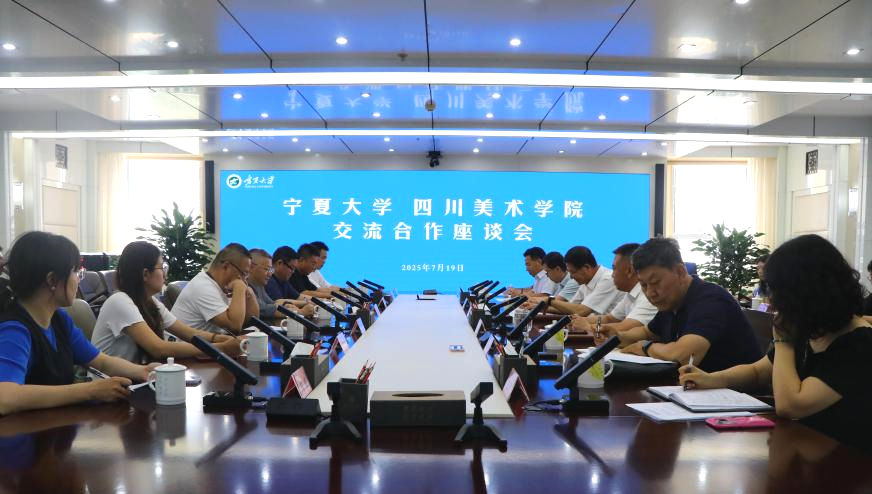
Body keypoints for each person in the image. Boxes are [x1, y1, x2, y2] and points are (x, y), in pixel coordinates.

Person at [680, 234, 872, 452]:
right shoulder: (813, 327)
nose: (772, 300)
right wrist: (710, 379)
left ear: (808, 290)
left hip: (847, 462)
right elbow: (757, 372)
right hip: (803, 448)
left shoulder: (859, 343)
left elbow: (791, 405)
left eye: (778, 290)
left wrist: (783, 341)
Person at [0, 231, 156, 415]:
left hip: (56, 424)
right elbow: (5, 397)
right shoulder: (15, 329)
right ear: (52, 280)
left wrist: (143, 371)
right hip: (28, 431)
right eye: (75, 272)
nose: (78, 279)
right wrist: (90, 390)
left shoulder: (59, 319)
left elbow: (101, 361)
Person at [606, 237, 761, 371]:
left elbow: (684, 356)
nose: (650, 293)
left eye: (655, 282)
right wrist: (615, 337)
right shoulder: (671, 301)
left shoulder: (711, 300)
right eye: (643, 285)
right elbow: (647, 332)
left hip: (736, 393)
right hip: (692, 389)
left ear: (680, 272)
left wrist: (646, 347)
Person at [91, 241, 243, 363]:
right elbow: (159, 348)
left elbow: (190, 333)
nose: (165, 274)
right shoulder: (119, 302)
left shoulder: (150, 302)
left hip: (136, 379)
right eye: (162, 267)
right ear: (145, 274)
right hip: (110, 384)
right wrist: (221, 348)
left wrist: (225, 339)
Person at [171, 243, 259, 335]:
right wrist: (239, 288)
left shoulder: (224, 286)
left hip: (207, 341)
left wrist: (250, 294)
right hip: (184, 343)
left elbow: (253, 322)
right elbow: (235, 326)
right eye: (243, 273)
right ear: (226, 266)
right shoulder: (203, 287)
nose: (244, 280)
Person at [575, 243, 657, 336]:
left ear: (629, 271)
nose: (612, 275)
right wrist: (579, 320)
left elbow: (625, 327)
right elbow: (609, 318)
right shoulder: (631, 293)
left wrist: (589, 327)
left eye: (614, 269)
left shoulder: (648, 296)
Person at [531, 246, 621, 317]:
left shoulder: (608, 279)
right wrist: (537, 308)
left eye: (573, 272)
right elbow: (569, 308)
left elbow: (582, 311)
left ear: (586, 267)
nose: (571, 277)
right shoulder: (585, 281)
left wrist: (550, 301)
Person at [248, 249, 315, 319]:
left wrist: (286, 305)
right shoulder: (247, 287)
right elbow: (267, 310)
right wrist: (301, 312)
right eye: (266, 269)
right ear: (251, 267)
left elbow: (274, 303)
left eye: (270, 270)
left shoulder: (259, 285)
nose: (270, 274)